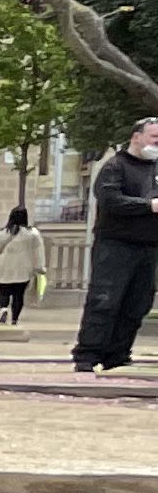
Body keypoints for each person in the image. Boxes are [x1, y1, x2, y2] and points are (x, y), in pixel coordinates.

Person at [77, 125, 157, 373]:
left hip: (149, 246)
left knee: (137, 303)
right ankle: (87, 355)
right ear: (137, 137)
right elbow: (110, 199)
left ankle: (118, 354)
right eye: (155, 137)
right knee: (105, 300)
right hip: (115, 245)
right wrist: (148, 206)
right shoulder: (115, 166)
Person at [0, 204, 41, 327]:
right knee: (18, 294)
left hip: (4, 267)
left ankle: (4, 309)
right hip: (23, 268)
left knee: (3, 291)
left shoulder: (1, 233)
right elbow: (38, 251)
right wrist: (39, 267)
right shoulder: (32, 234)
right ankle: (14, 319)